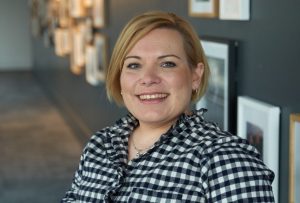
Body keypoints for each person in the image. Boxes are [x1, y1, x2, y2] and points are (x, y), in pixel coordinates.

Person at [62, 11, 275, 202]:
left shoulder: (226, 161)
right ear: (120, 78)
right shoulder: (100, 145)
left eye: (167, 64)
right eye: (134, 65)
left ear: (195, 75)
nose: (148, 78)